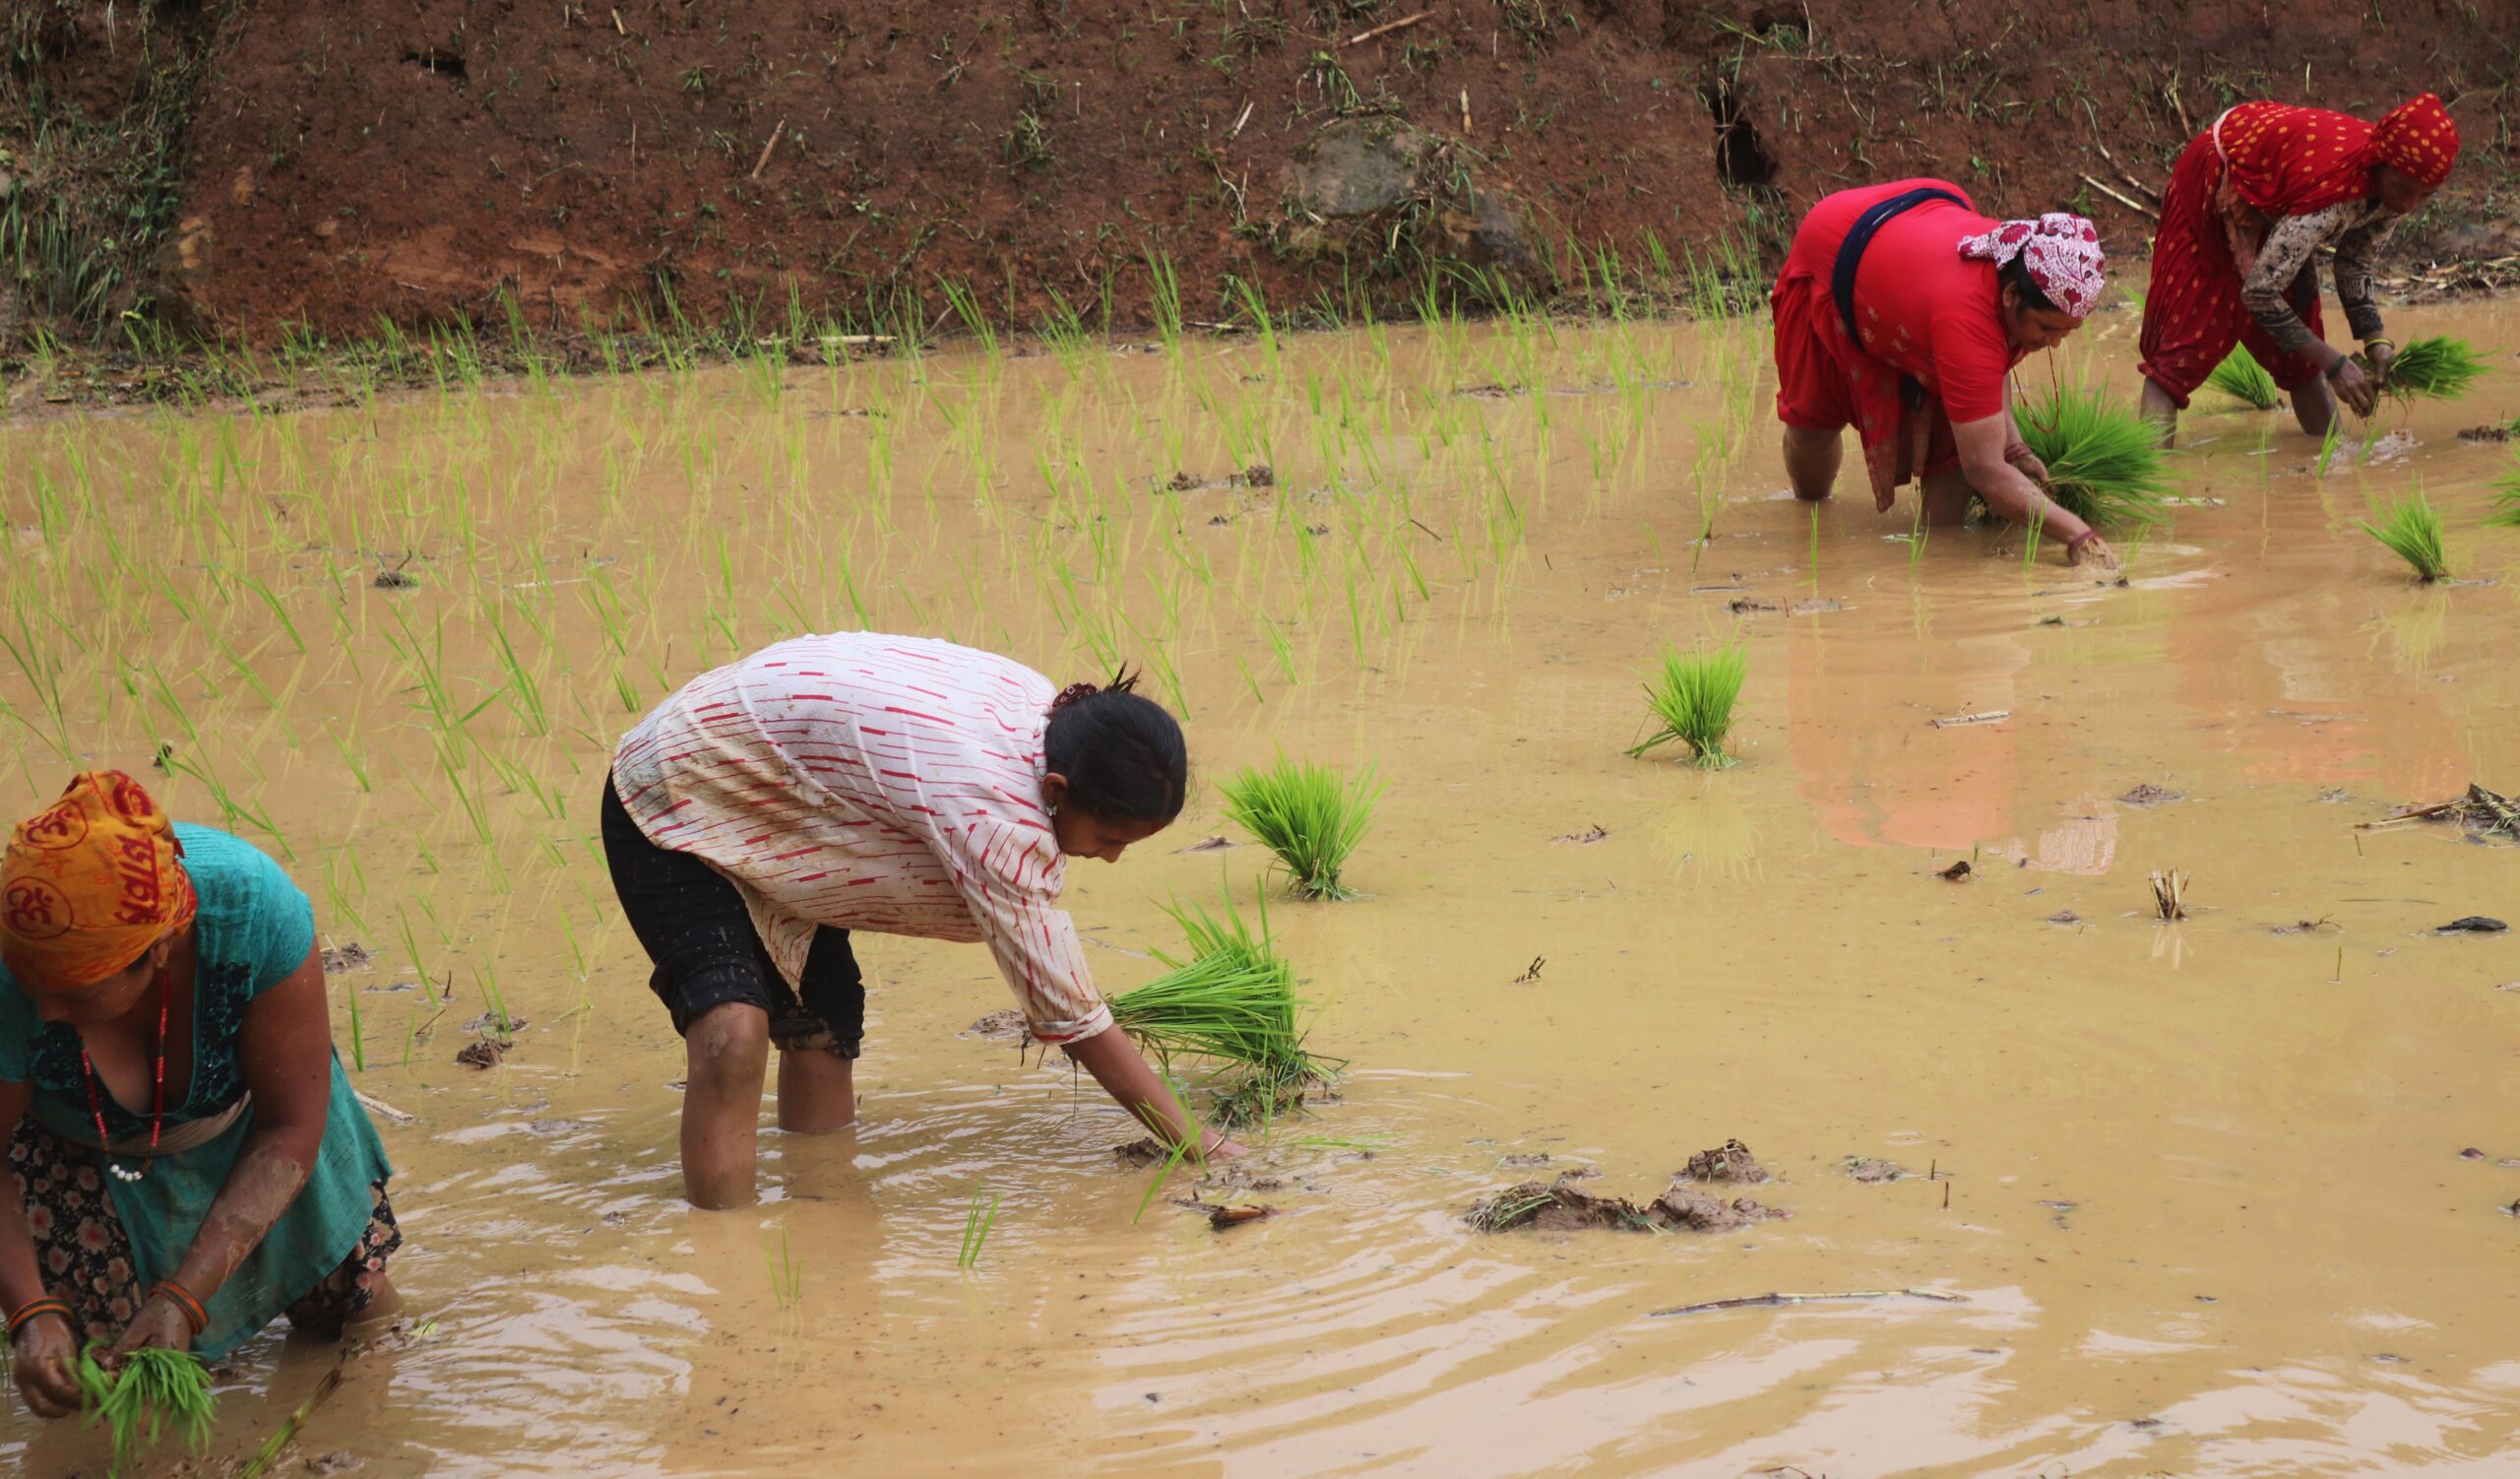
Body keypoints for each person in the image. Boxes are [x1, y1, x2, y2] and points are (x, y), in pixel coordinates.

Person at [602, 630, 1242, 1209]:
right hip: (677, 792)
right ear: (1055, 790)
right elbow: (1072, 1016)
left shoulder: (1044, 712)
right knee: (732, 1034)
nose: (1111, 857)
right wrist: (1198, 1143)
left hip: (789, 802)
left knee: (823, 1033)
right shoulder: (993, 814)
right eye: (1107, 837)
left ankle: (822, 1229)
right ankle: (729, 1266)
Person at [1, 771, 400, 1420]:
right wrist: (29, 1311)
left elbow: (290, 1129)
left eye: (73, 991)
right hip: (78, 1151)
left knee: (355, 1316)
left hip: (255, 1128)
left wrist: (184, 1296)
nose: (43, 1010)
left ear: (156, 951)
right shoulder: (13, 965)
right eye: (32, 985)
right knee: (105, 1381)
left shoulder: (252, 913)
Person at [1770, 180, 2116, 569]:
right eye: (2047, 329)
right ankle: (1810, 513)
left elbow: (1989, 359)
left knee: (1954, 450)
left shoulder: (2009, 254)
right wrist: (2079, 535)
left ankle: (1940, 558)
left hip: (1917, 243)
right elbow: (1985, 470)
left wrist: (2014, 446)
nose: (2054, 343)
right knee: (1813, 427)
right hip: (1833, 248)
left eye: (2067, 332)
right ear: (2010, 296)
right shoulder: (1965, 315)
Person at [2137, 94, 2460, 443]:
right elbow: (2260, 294)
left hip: (2280, 202)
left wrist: (2375, 340)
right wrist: (2334, 364)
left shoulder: (2396, 184)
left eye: (2423, 196)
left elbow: (2354, 260)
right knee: (2182, 349)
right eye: (2403, 189)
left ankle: (2332, 462)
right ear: (2380, 162)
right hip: (2219, 175)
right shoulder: (2332, 196)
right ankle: (2149, 483)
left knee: (2301, 351)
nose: (2409, 204)